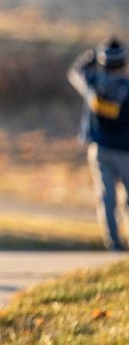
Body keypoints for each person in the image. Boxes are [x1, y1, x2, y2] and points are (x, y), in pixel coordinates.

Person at [67, 38, 129, 251]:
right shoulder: (126, 86)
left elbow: (75, 72)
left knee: (107, 197)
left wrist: (91, 57)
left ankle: (113, 243)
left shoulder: (93, 81)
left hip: (100, 149)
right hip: (125, 152)